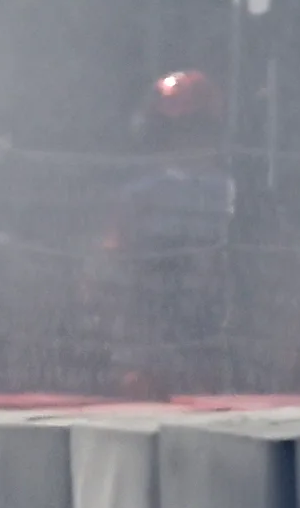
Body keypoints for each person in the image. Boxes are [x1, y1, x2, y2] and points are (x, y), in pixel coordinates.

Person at [95, 69, 236, 396]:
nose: (181, 140)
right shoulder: (138, 192)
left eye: (191, 129)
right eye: (170, 131)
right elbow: (112, 254)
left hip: (206, 316)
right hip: (150, 313)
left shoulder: (227, 190)